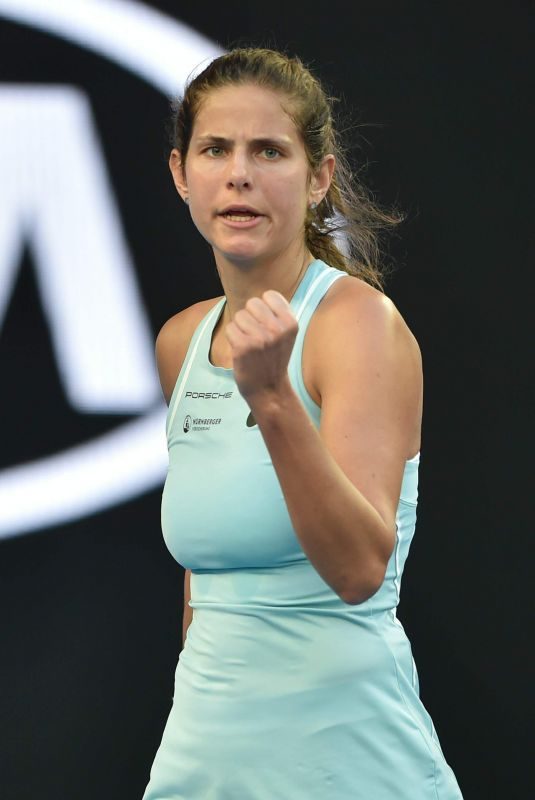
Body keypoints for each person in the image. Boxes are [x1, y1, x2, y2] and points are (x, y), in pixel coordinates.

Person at [142, 47, 463, 800]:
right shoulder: (180, 342)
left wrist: (273, 401)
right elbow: (207, 575)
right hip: (202, 767)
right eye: (215, 149)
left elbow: (357, 570)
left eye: (269, 151)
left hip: (351, 769)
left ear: (318, 178)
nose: (239, 174)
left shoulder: (360, 325)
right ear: (181, 174)